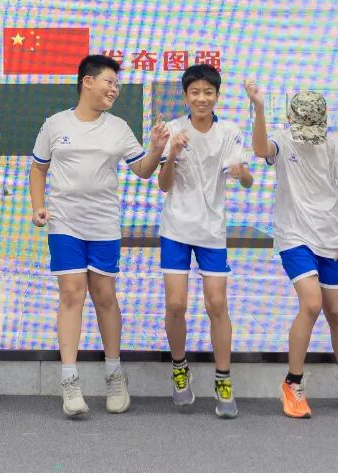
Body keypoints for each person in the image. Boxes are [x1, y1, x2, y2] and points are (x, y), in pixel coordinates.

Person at [30, 54, 168, 417]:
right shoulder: (55, 124)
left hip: (104, 224)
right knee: (71, 293)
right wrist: (38, 205)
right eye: (109, 82)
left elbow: (143, 170)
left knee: (104, 295)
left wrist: (156, 149)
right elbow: (38, 169)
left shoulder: (118, 127)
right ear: (87, 82)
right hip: (65, 223)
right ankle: (70, 382)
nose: (114, 89)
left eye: (117, 85)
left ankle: (114, 375)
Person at [246, 82, 338, 419]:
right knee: (312, 303)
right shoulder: (282, 140)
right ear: (289, 119)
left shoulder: (332, 147)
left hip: (329, 239)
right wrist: (259, 108)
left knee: (336, 311)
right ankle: (293, 382)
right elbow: (259, 149)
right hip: (294, 236)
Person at [157, 64, 253, 419]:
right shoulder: (173, 130)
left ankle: (223, 379)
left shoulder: (229, 131)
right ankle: (179, 369)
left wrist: (242, 173)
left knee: (217, 304)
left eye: (208, 92)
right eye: (195, 92)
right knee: (176, 304)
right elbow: (163, 185)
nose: (201, 98)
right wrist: (172, 153)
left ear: (217, 95)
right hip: (176, 229)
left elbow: (246, 180)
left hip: (212, 231)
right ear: (185, 96)